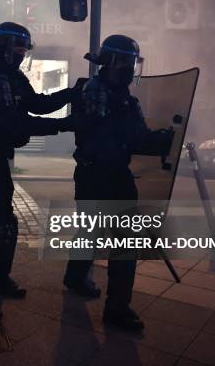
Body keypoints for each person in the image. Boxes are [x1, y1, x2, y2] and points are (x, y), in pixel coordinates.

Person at [0, 22, 83, 327]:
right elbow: (14, 124)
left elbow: (37, 105)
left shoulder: (11, 77)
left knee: (9, 224)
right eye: (17, 48)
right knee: (0, 227)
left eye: (22, 50)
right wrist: (63, 126)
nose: (20, 55)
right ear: (2, 46)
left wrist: (70, 94)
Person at [64, 35, 173, 332]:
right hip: (96, 174)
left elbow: (137, 136)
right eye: (125, 61)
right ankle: (114, 307)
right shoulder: (94, 92)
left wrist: (165, 139)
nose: (129, 68)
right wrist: (152, 139)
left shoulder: (126, 98)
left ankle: (83, 284)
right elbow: (109, 135)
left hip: (113, 174)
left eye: (132, 62)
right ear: (110, 62)